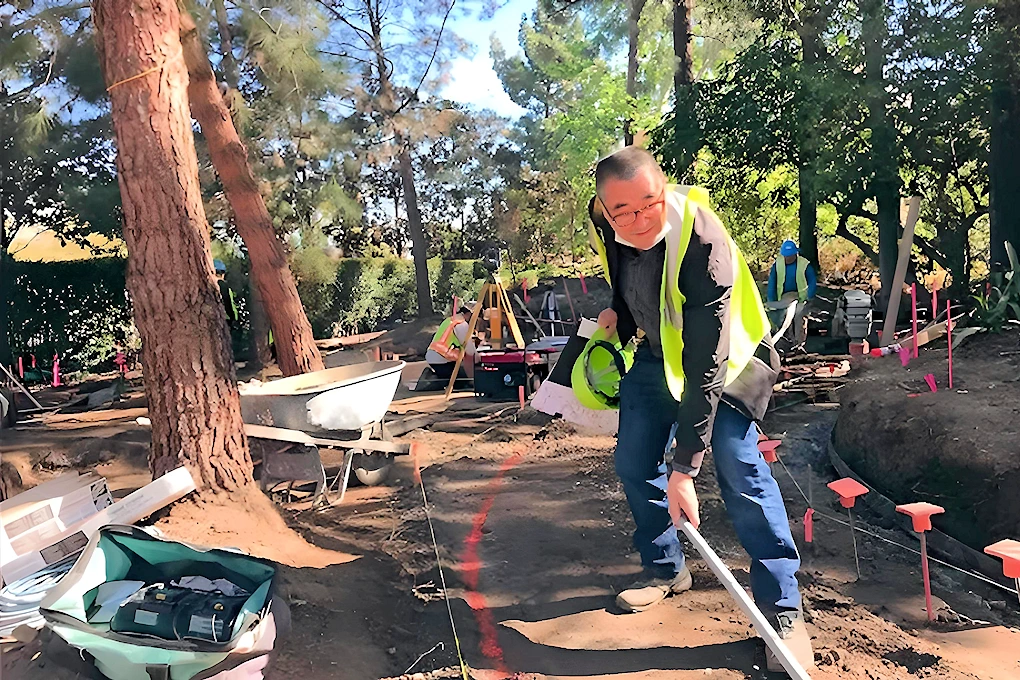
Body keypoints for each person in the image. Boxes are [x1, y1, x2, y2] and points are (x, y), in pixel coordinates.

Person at [586, 147, 812, 673]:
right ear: (604, 207)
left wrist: (686, 465)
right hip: (657, 353)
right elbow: (626, 274)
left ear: (663, 191)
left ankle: (782, 610)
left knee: (738, 465)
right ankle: (665, 570)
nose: (638, 220)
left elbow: (706, 366)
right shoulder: (607, 221)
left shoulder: (704, 244)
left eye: (649, 205)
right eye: (623, 212)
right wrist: (619, 311)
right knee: (632, 462)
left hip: (728, 359)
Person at [766, 241, 817, 348]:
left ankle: (799, 344)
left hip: (801, 298)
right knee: (785, 317)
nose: (788, 259)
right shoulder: (777, 265)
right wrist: (771, 300)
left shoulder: (804, 264)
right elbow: (772, 282)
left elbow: (812, 280)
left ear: (795, 254)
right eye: (786, 256)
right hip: (784, 297)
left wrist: (810, 296)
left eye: (790, 256)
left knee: (799, 317)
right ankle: (788, 342)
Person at [426, 307, 477, 380]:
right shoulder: (461, 324)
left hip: (436, 356)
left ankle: (435, 377)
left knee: (457, 376)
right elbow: (470, 351)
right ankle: (433, 379)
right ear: (468, 314)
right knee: (460, 382)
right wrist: (479, 359)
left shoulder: (450, 321)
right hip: (442, 358)